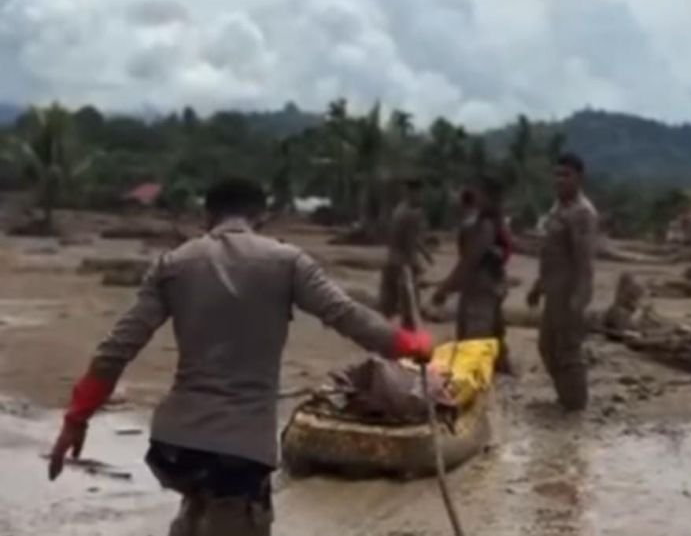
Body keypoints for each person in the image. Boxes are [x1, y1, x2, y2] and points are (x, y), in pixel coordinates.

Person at [47, 178, 432, 536]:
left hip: (175, 449)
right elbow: (348, 317)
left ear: (207, 216)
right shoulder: (288, 262)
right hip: (240, 453)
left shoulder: (174, 264)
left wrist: (75, 420)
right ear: (260, 216)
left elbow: (116, 350)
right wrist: (408, 345)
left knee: (196, 507)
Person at [527, 153, 598, 411]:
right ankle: (567, 398)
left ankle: (576, 405)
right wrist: (538, 286)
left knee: (568, 351)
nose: (559, 180)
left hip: (569, 293)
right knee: (547, 347)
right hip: (553, 291)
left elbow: (584, 261)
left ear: (579, 178)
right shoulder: (557, 208)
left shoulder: (582, 213)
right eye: (556, 175)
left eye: (565, 175)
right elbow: (551, 254)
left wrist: (579, 299)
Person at [433, 176, 513, 374]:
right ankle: (501, 371)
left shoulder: (485, 225)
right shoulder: (493, 222)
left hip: (481, 287)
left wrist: (445, 288)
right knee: (493, 335)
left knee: (474, 341)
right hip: (488, 285)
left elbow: (470, 261)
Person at [379, 178, 433, 329]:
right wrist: (416, 266)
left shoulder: (399, 209)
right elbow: (409, 241)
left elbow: (411, 238)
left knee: (389, 305)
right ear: (413, 193)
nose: (421, 197)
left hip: (391, 260)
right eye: (419, 193)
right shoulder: (413, 213)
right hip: (404, 265)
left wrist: (425, 253)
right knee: (410, 307)